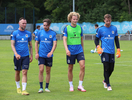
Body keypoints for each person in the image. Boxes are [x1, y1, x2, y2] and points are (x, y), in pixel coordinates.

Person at [94, 14, 121, 91]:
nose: (108, 22)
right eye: (106, 21)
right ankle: (108, 85)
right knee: (106, 67)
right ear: (104, 20)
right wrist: (98, 46)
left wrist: (118, 49)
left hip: (112, 51)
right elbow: (96, 39)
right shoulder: (100, 29)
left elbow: (116, 40)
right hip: (104, 51)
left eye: (109, 20)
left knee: (111, 69)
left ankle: (105, 80)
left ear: (111, 20)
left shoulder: (114, 28)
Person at [63, 12, 86, 92]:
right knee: (70, 68)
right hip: (70, 51)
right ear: (70, 19)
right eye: (74, 19)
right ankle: (71, 85)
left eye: (76, 19)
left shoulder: (80, 28)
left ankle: (80, 85)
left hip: (79, 50)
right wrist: (67, 50)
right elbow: (64, 40)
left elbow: (81, 39)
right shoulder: (67, 28)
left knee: (83, 66)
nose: (75, 20)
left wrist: (82, 50)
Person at [11, 17, 33, 95]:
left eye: (25, 23)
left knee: (24, 72)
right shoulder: (14, 33)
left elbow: (30, 45)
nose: (24, 24)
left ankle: (24, 90)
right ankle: (18, 87)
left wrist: (31, 55)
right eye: (23, 23)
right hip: (17, 56)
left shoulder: (29, 33)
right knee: (17, 72)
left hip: (26, 56)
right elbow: (12, 45)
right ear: (19, 23)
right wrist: (16, 53)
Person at [35, 18, 57, 93]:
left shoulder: (53, 33)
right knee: (41, 70)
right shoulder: (39, 32)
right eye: (43, 25)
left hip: (49, 56)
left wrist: (51, 52)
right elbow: (36, 43)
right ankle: (41, 88)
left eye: (46, 25)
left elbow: (55, 44)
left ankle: (47, 87)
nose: (44, 26)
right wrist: (36, 53)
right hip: (41, 55)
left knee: (48, 71)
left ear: (49, 25)